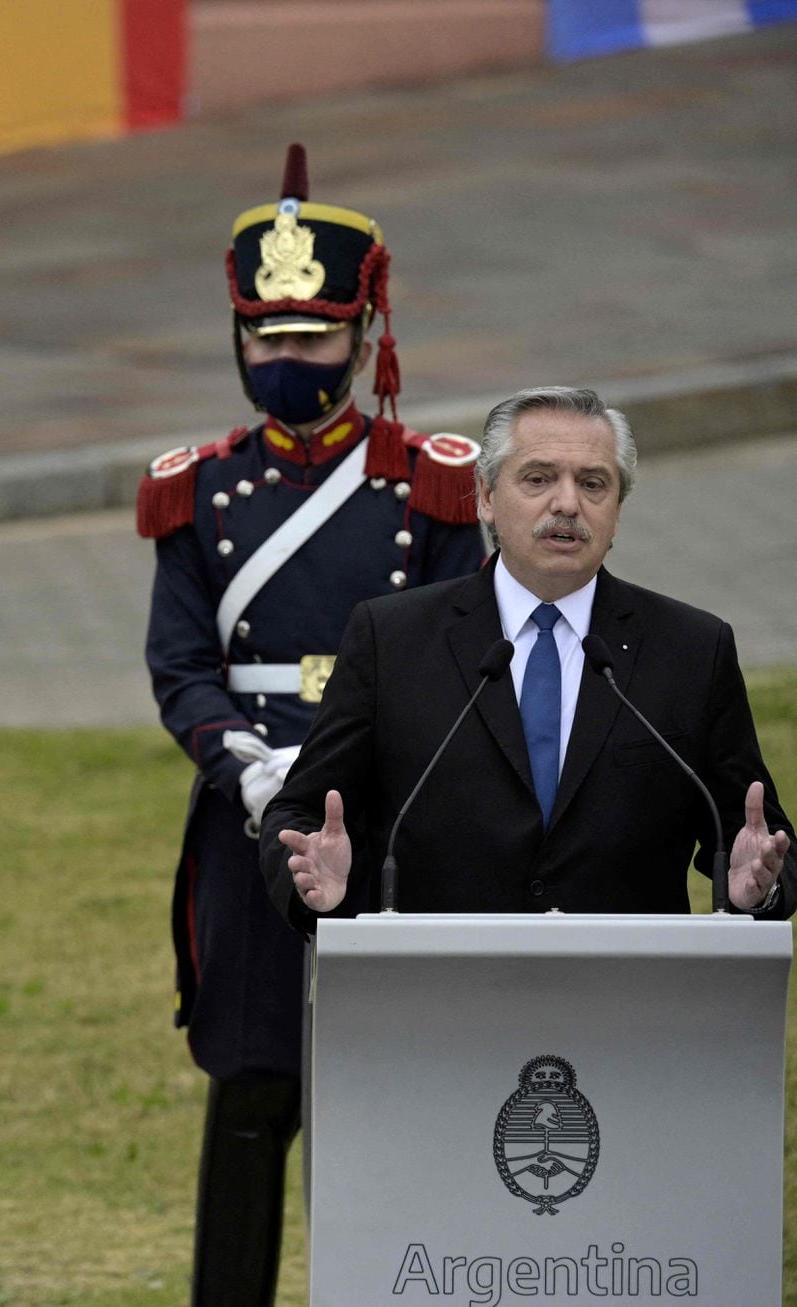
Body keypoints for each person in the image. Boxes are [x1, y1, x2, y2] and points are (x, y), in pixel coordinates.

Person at [135, 144, 485, 1305]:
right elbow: (180, 661)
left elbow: (457, 652)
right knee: (250, 1089)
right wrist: (239, 761)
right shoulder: (197, 490)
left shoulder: (428, 485)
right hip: (249, 830)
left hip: (383, 820)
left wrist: (343, 762)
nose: (286, 360)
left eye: (312, 337)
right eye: (266, 338)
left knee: (383, 1095)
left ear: (362, 337)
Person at [262, 384, 794, 926]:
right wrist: (314, 885)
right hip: (437, 990)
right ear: (487, 496)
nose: (567, 503)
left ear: (618, 508)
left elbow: (757, 837)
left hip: (625, 995)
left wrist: (760, 891)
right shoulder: (390, 639)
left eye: (593, 484)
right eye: (538, 479)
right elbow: (301, 811)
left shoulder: (692, 649)